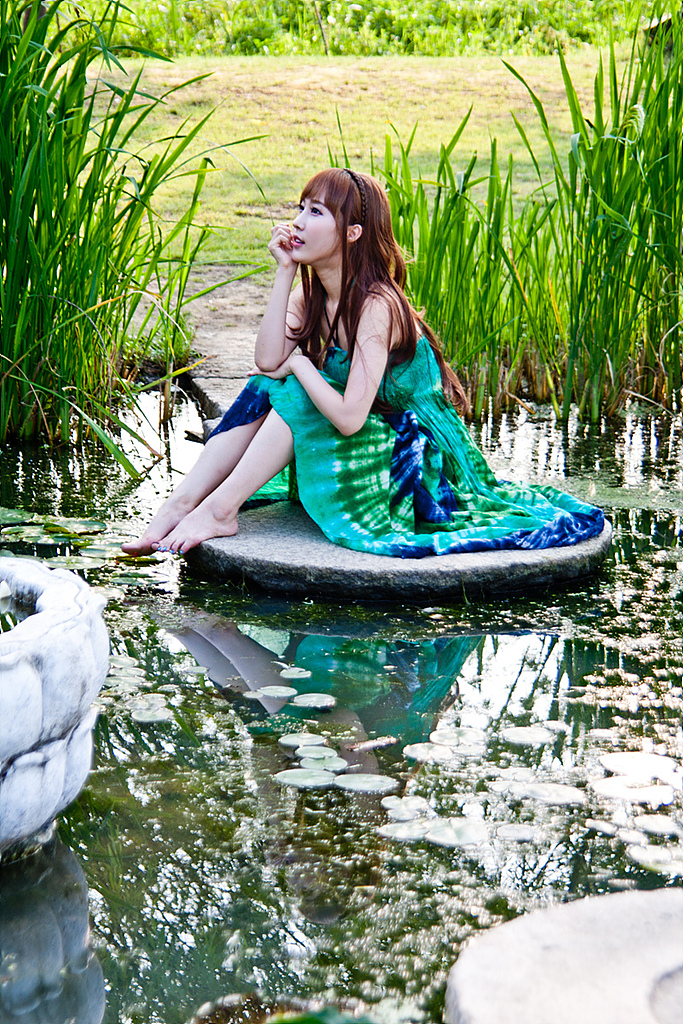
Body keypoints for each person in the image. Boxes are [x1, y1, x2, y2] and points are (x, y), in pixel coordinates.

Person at [122, 168, 603, 558]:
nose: (298, 222)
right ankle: (183, 502)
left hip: (415, 458)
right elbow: (267, 362)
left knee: (298, 385)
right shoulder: (314, 293)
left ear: (352, 233)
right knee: (269, 384)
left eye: (316, 212)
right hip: (369, 434)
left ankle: (220, 509)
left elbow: (350, 417)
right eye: (300, 208)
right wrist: (284, 272)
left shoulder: (377, 306)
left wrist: (302, 367)